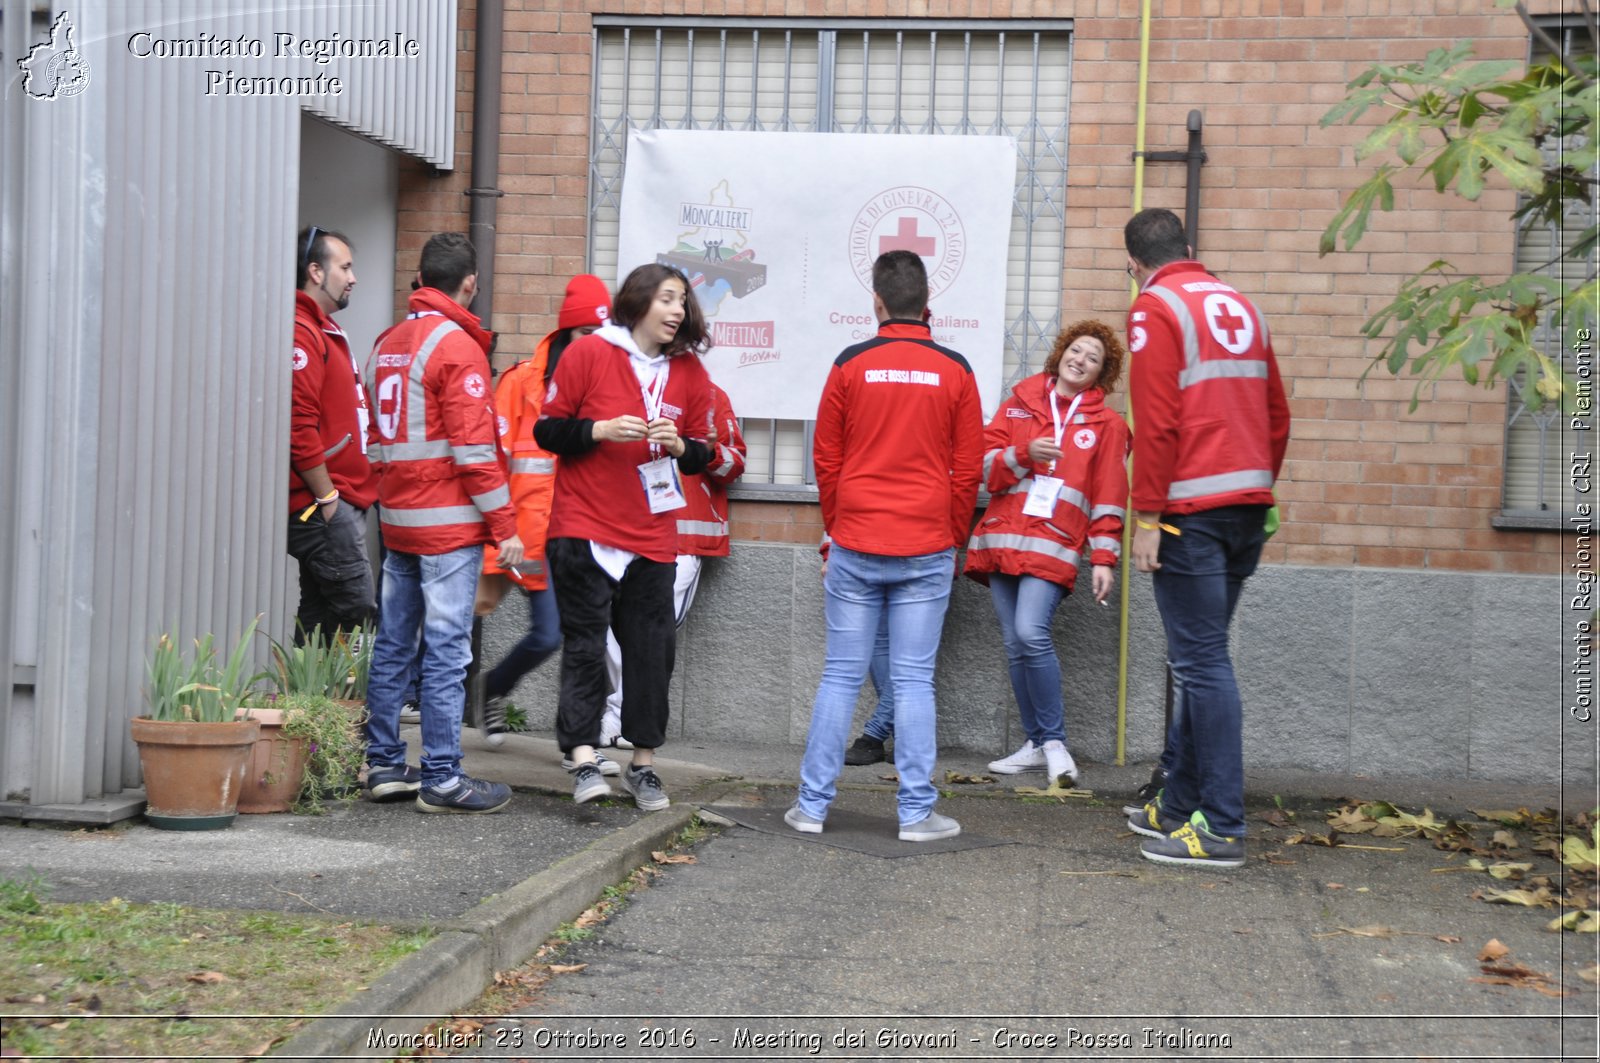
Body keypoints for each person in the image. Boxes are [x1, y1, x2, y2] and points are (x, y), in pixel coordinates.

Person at [786, 250, 984, 843]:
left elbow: (826, 457)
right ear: (928, 306)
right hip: (925, 544)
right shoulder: (957, 370)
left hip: (857, 540)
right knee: (914, 681)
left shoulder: (850, 363)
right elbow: (966, 469)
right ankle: (917, 814)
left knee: (841, 677)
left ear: (876, 302)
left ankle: (811, 808)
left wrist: (837, 524)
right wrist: (950, 537)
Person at [1122, 207, 1290, 869]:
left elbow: (1157, 422)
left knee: (1201, 667)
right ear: (1189, 247)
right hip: (1246, 508)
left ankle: (1220, 826)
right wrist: (1254, 484)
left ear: (1135, 264)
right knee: (1202, 661)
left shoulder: (1156, 307)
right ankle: (1178, 804)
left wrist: (1145, 516)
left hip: (1187, 512)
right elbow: (1278, 414)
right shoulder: (1241, 305)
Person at [534, 263, 715, 811]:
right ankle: (585, 758)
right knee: (586, 648)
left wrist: (682, 447)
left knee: (650, 653)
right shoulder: (589, 353)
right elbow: (548, 430)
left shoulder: (689, 373)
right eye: (667, 298)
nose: (678, 310)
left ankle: (644, 764)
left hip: (654, 534)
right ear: (638, 302)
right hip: (585, 527)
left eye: (682, 300)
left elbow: (705, 451)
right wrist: (600, 430)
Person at [362, 232, 525, 814]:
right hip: (447, 528)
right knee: (448, 651)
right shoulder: (456, 348)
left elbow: (375, 440)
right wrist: (505, 527)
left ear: (421, 276)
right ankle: (441, 776)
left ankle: (382, 763)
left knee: (394, 645)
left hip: (397, 520)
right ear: (470, 283)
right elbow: (476, 453)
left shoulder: (386, 343)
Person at [965, 320, 1131, 789]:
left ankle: (1055, 742)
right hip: (1002, 541)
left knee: (1029, 633)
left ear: (1102, 374)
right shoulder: (1018, 405)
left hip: (1053, 545)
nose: (1079, 359)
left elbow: (1110, 497)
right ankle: (1036, 744)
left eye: (1092, 357)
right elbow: (982, 468)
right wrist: (1023, 453)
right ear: (1060, 354)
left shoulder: (1108, 426)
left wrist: (1103, 558)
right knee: (1016, 645)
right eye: (1075, 350)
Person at [476, 275, 614, 773]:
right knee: (548, 635)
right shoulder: (518, 383)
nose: (592, 349)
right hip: (524, 533)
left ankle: (579, 744)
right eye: (583, 337)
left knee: (578, 638)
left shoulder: (604, 383)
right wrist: (500, 528)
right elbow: (493, 458)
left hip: (578, 533)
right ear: (563, 336)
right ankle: (489, 689)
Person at [598, 378, 747, 749]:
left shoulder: (710, 395)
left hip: (681, 537)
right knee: (600, 623)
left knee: (650, 631)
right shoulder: (616, 383)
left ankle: (624, 717)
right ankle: (619, 712)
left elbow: (735, 463)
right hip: (616, 531)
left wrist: (706, 450)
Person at [287, 226, 377, 641]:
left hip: (335, 500)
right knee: (356, 602)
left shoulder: (322, 328)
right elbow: (298, 425)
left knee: (321, 611)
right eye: (345, 267)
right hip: (321, 504)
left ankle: (305, 701)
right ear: (316, 272)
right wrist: (327, 500)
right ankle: (317, 699)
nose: (353, 277)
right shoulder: (302, 332)